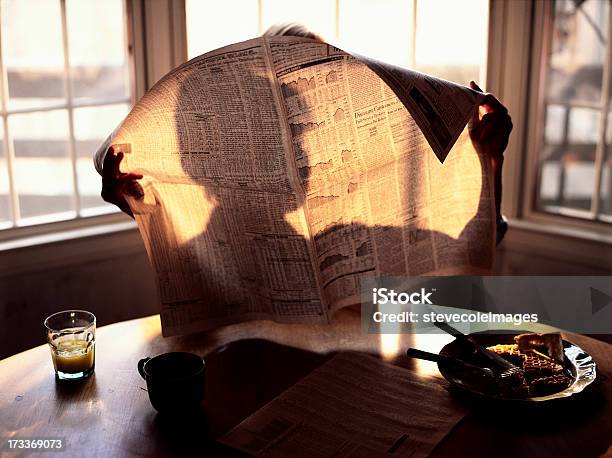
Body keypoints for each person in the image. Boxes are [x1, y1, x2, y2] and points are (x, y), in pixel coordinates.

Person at [100, 23, 511, 243]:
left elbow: (474, 249)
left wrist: (491, 161)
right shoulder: (208, 241)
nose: (297, 148)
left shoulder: (349, 231)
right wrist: (137, 207)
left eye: (302, 130)